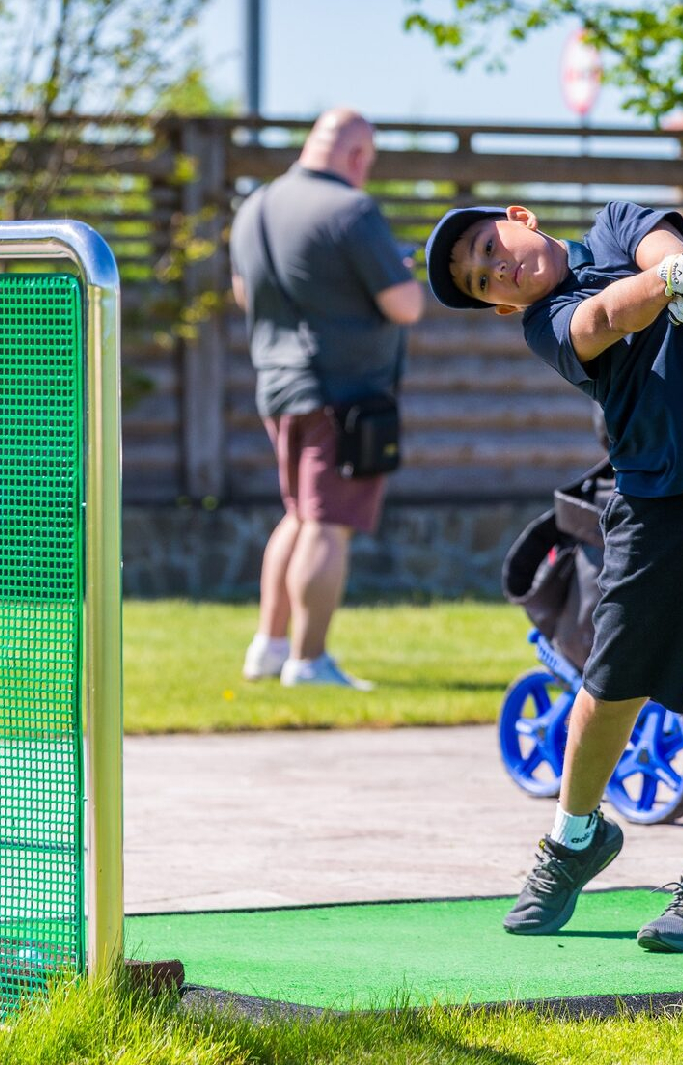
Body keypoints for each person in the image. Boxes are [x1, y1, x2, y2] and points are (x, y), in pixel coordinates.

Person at [425, 201, 683, 953]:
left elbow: (654, 246)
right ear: (500, 306)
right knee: (611, 685)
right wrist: (675, 284)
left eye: (489, 246)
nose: (497, 268)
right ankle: (574, 838)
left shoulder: (614, 224)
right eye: (484, 281)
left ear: (520, 217)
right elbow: (607, 314)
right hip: (654, 500)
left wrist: (677, 268)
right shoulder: (544, 323)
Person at [230, 109, 424, 689]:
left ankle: (270, 647)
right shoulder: (352, 211)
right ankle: (309, 661)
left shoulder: (254, 207)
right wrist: (402, 274)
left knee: (299, 516)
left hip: (278, 385)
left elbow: (244, 292)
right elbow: (405, 305)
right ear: (358, 156)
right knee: (328, 524)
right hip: (343, 392)